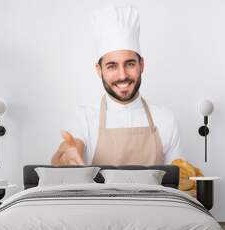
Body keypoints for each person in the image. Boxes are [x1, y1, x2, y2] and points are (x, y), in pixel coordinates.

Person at [51, 6, 182, 166]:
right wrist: (64, 157)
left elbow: (177, 181)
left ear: (142, 65)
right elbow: (65, 153)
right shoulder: (84, 118)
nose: (122, 75)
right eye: (112, 66)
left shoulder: (165, 119)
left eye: (130, 64)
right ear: (99, 70)